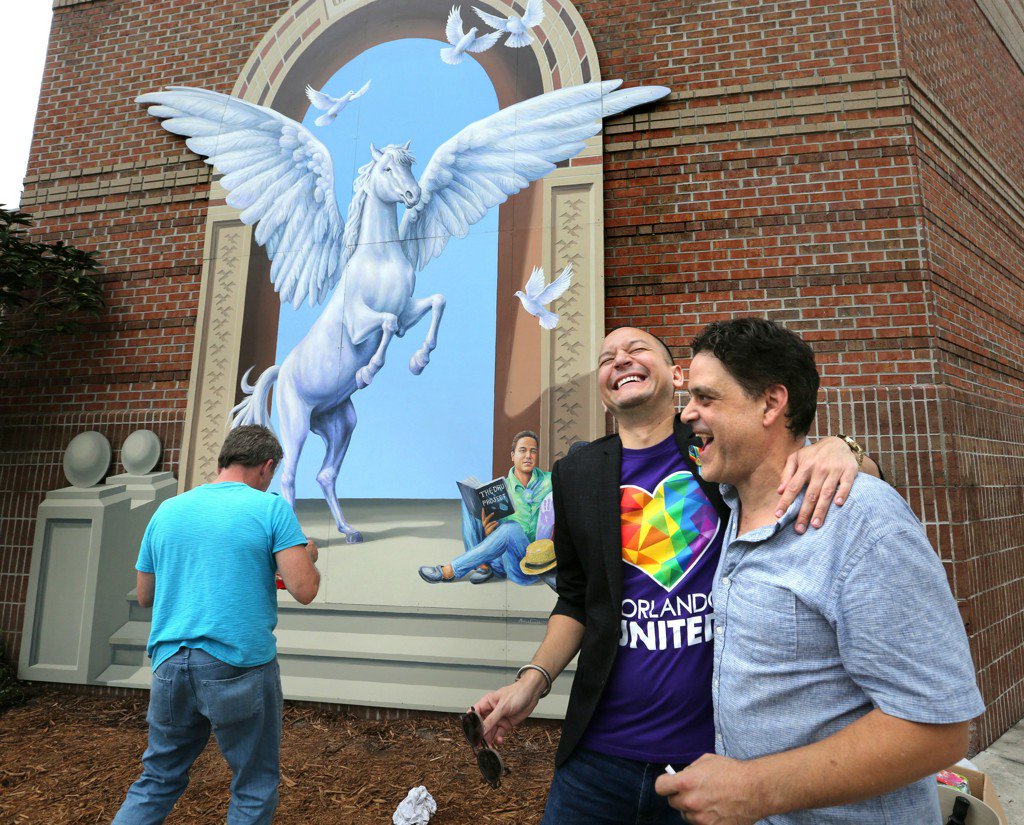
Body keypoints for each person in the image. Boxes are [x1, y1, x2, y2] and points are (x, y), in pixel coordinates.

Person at [471, 326, 878, 824]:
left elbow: (815, 471)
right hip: (597, 757)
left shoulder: (720, 449)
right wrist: (532, 681)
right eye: (606, 358)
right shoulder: (576, 474)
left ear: (678, 376)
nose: (620, 359)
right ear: (602, 390)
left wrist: (845, 448)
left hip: (712, 759)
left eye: (637, 349)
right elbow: (577, 598)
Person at [654, 318, 984, 824]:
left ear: (771, 403)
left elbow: (939, 728)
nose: (688, 413)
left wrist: (755, 789)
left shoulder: (863, 523)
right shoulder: (728, 504)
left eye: (705, 398)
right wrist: (846, 445)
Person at [112, 425, 320, 825]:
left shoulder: (168, 510)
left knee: (157, 778)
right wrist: (306, 554)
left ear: (225, 458)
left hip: (170, 665)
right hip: (236, 666)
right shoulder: (271, 508)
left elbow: (144, 596)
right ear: (267, 466)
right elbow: (304, 588)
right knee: (254, 783)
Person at [419, 430, 554, 586]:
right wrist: (487, 532)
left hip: (527, 565)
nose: (528, 456)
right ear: (512, 455)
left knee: (511, 529)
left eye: (533, 451)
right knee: (470, 499)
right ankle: (481, 566)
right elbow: (498, 535)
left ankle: (450, 570)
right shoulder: (502, 488)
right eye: (522, 451)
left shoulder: (550, 481)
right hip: (499, 560)